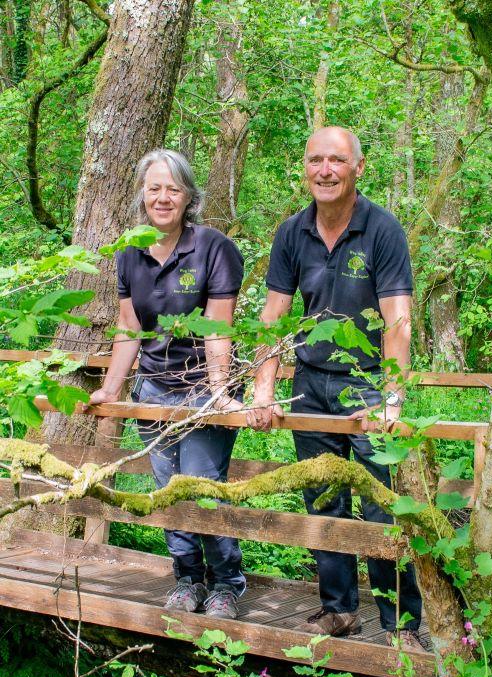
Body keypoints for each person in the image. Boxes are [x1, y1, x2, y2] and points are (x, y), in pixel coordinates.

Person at [247, 126, 424, 650]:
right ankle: (339, 610)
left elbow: (398, 320)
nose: (325, 170)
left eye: (337, 160)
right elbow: (274, 315)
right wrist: (263, 387)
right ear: (305, 167)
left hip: (367, 385)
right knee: (323, 499)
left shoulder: (382, 230)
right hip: (310, 384)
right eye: (316, 160)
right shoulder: (292, 233)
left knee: (382, 507)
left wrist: (393, 398)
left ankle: (401, 626)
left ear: (357, 168)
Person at [89, 149, 245, 620]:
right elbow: (127, 328)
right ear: (142, 194)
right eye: (154, 188)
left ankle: (226, 584)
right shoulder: (128, 251)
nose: (163, 197)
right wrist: (111, 390)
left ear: (188, 196)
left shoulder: (212, 247)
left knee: (200, 486)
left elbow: (219, 326)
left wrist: (219, 391)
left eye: (173, 188)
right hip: (153, 390)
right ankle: (187, 578)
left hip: (200, 386)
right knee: (165, 491)